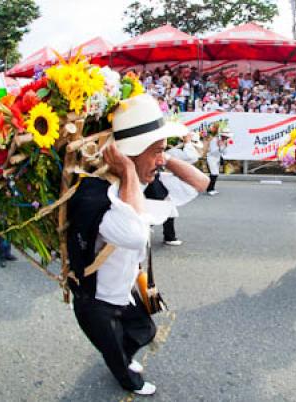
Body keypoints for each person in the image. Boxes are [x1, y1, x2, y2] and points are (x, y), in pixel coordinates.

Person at [66, 94, 208, 395]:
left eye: (163, 151)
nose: (162, 160)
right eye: (156, 151)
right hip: (95, 301)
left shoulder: (144, 184)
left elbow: (201, 183)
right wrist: (131, 169)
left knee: (146, 330)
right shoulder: (94, 195)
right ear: (127, 154)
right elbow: (135, 234)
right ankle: (126, 375)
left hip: (126, 290)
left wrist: (159, 155)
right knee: (115, 354)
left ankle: (123, 356)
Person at [205, 130, 227, 195]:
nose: (226, 138)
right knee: (214, 173)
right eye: (225, 136)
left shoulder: (224, 141)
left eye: (227, 137)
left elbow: (225, 152)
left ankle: (212, 188)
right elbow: (213, 152)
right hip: (211, 158)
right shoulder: (214, 140)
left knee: (216, 174)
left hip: (217, 159)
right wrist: (219, 147)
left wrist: (224, 146)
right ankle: (209, 189)